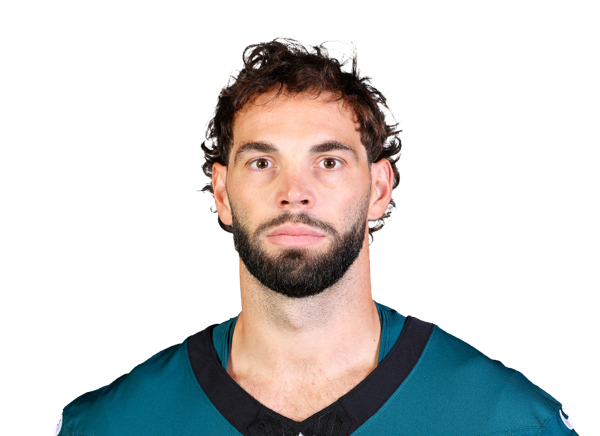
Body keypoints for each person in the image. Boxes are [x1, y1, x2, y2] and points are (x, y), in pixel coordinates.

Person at [53, 37, 578, 436]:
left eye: (328, 162)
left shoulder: (510, 422)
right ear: (222, 193)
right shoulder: (108, 426)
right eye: (262, 162)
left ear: (378, 189)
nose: (294, 193)